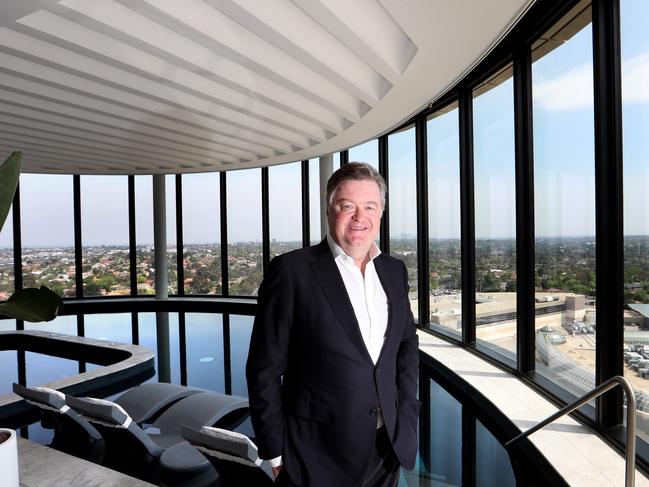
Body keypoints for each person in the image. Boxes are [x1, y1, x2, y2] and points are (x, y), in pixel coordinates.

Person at [246, 162, 419, 487]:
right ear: (329, 211)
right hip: (314, 457)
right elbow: (263, 370)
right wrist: (277, 454)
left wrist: (407, 416)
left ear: (380, 214)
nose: (359, 217)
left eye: (370, 207)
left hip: (386, 449)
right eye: (347, 206)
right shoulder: (291, 272)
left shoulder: (395, 271)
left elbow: (406, 347)